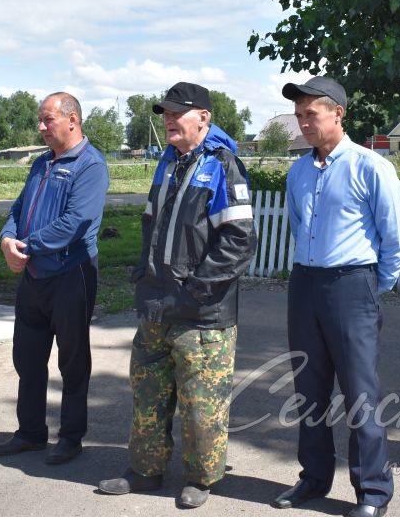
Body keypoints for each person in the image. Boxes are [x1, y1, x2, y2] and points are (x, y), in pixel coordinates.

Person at [98, 82, 257, 509]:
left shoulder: (223, 166)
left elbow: (239, 241)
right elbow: (152, 225)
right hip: (155, 307)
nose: (168, 119)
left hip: (202, 314)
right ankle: (145, 470)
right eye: (165, 113)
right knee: (147, 393)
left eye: (177, 113)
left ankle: (202, 478)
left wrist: (192, 293)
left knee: (200, 406)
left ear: (202, 117)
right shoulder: (167, 164)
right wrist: (144, 277)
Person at [272, 76, 400, 517]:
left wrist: (370, 287)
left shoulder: (371, 167)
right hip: (305, 283)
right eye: (299, 116)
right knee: (308, 390)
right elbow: (297, 225)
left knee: (359, 393)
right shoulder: (298, 170)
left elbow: (395, 240)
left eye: (311, 114)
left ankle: (372, 492)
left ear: (338, 113)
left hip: (352, 285)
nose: (303, 123)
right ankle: (313, 478)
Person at [0, 93, 109, 464]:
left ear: (72, 119)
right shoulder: (42, 163)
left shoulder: (90, 165)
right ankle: (30, 433)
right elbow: (18, 208)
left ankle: (71, 437)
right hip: (34, 278)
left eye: (47, 120)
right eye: (40, 121)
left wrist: (27, 246)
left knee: (72, 362)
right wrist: (8, 239)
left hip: (70, 275)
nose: (41, 128)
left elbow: (76, 222)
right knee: (27, 358)